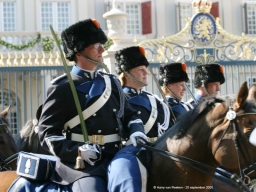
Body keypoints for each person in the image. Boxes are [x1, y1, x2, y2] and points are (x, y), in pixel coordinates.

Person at [35, 19, 147, 192]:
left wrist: (137, 131)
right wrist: (77, 151)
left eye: (102, 44)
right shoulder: (62, 86)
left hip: (117, 155)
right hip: (82, 165)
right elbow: (48, 134)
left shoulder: (112, 82)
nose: (102, 49)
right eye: (96, 45)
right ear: (78, 51)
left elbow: (130, 116)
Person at [107, 46, 173, 192]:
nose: (146, 73)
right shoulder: (116, 99)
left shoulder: (155, 101)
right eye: (140, 70)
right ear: (127, 74)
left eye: (146, 69)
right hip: (128, 153)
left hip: (158, 152)